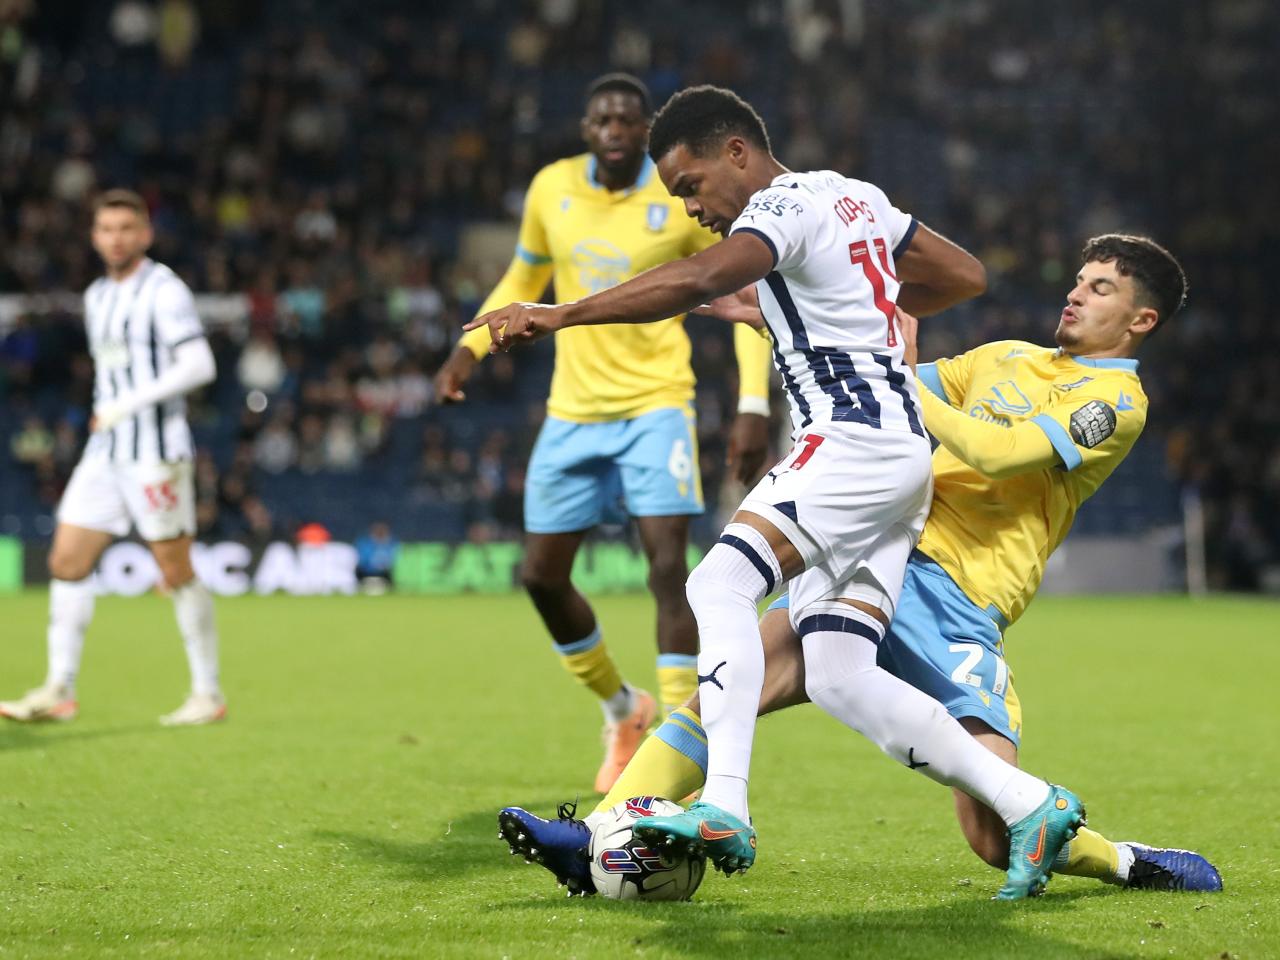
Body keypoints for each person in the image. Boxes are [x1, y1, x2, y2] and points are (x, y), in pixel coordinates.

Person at [473, 84, 1082, 899]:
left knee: (714, 582)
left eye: (691, 185)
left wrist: (562, 314)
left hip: (852, 447)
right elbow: (961, 274)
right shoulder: (854, 196)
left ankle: (724, 805)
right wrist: (835, 308)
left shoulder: (785, 205)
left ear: (737, 153)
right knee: (835, 673)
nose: (692, 207)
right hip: (900, 459)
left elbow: (698, 279)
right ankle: (1029, 803)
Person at [498, 235, 1223, 897]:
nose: (1076, 292)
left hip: (960, 597)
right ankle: (592, 834)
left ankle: (1125, 862)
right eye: (1079, 279)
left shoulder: (1115, 403)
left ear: (1141, 321)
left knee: (990, 832)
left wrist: (898, 377)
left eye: (1101, 289)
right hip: (882, 548)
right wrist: (785, 320)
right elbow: (881, 385)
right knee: (730, 691)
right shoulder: (1004, 356)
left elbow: (997, 453)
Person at [433, 74, 774, 793]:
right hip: (573, 410)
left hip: (657, 405)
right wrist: (472, 348)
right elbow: (524, 275)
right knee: (540, 577)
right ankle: (623, 708)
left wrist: (751, 403)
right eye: (602, 119)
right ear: (586, 129)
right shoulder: (551, 188)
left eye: (627, 119)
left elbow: (739, 296)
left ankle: (680, 745)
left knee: (665, 569)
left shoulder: (676, 194)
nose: (615, 129)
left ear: (642, 126)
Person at [0, 189, 224, 727]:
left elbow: (199, 364)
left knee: (175, 570)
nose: (116, 237)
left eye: (127, 227)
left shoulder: (163, 290)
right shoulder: (98, 294)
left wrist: (127, 403)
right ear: (94, 237)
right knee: (67, 561)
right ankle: (59, 689)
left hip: (154, 452)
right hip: (106, 452)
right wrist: (109, 409)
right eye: (106, 229)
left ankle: (208, 694)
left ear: (145, 234)